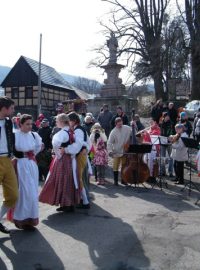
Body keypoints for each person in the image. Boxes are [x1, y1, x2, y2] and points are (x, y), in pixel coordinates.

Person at [39, 113, 81, 212]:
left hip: (63, 160)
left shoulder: (62, 133)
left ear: (62, 122)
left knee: (62, 180)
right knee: (68, 180)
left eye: (57, 121)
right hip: (70, 159)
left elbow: (55, 143)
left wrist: (59, 153)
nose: (56, 123)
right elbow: (77, 145)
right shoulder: (71, 132)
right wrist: (68, 150)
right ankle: (68, 203)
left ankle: (66, 204)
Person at [11, 114, 43, 230]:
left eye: (31, 123)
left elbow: (38, 147)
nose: (30, 126)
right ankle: (20, 220)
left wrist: (32, 155)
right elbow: (11, 150)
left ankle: (30, 218)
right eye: (27, 124)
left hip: (31, 164)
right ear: (21, 124)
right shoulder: (15, 135)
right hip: (20, 165)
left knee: (33, 191)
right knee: (23, 192)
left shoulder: (34, 135)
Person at [63, 112, 91, 209]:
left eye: (69, 121)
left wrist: (66, 150)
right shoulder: (78, 129)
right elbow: (87, 142)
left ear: (74, 121)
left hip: (79, 156)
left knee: (79, 178)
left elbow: (78, 145)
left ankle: (85, 202)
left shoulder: (78, 130)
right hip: (80, 155)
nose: (67, 123)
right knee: (79, 178)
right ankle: (82, 200)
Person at [0, 96, 18, 234]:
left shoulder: (8, 122)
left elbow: (11, 138)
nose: (13, 110)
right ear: (4, 108)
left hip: (7, 159)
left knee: (13, 196)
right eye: (11, 108)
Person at [107, 117, 132, 185]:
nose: (120, 125)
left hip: (124, 151)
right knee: (115, 166)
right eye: (119, 124)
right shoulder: (113, 132)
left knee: (124, 166)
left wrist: (134, 125)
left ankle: (123, 180)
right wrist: (110, 151)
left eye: (121, 124)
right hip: (116, 151)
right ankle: (115, 181)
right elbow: (109, 142)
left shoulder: (127, 128)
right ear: (116, 124)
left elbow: (134, 131)